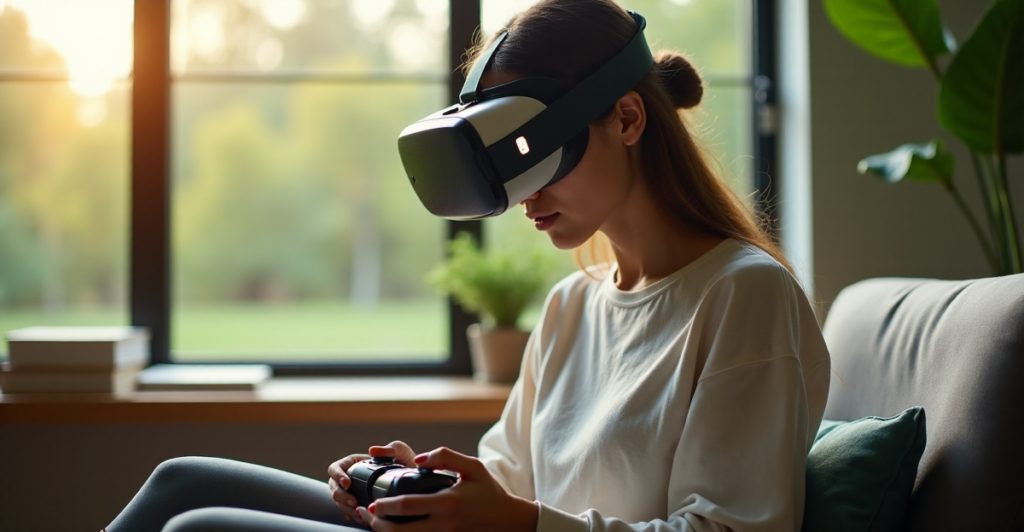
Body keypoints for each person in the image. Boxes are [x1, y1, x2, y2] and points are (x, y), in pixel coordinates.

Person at [105, 1, 829, 530]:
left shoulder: (743, 296)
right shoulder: (571, 307)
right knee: (182, 482)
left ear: (628, 120)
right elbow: (507, 485)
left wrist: (518, 525)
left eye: (533, 158)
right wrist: (411, 484)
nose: (521, 197)